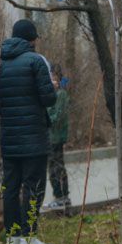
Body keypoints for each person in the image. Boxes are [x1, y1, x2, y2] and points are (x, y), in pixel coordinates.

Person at [0, 19, 56, 244]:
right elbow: (49, 99)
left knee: (10, 187)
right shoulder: (35, 62)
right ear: (32, 39)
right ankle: (29, 239)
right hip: (34, 137)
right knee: (33, 187)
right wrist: (52, 87)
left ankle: (12, 241)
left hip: (9, 138)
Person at [44, 64, 71, 211]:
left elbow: (56, 117)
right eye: (50, 78)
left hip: (56, 137)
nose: (52, 81)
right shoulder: (54, 94)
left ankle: (62, 197)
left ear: (59, 79)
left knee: (56, 168)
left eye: (54, 78)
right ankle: (60, 197)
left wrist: (44, 115)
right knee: (54, 167)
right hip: (51, 137)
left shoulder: (61, 94)